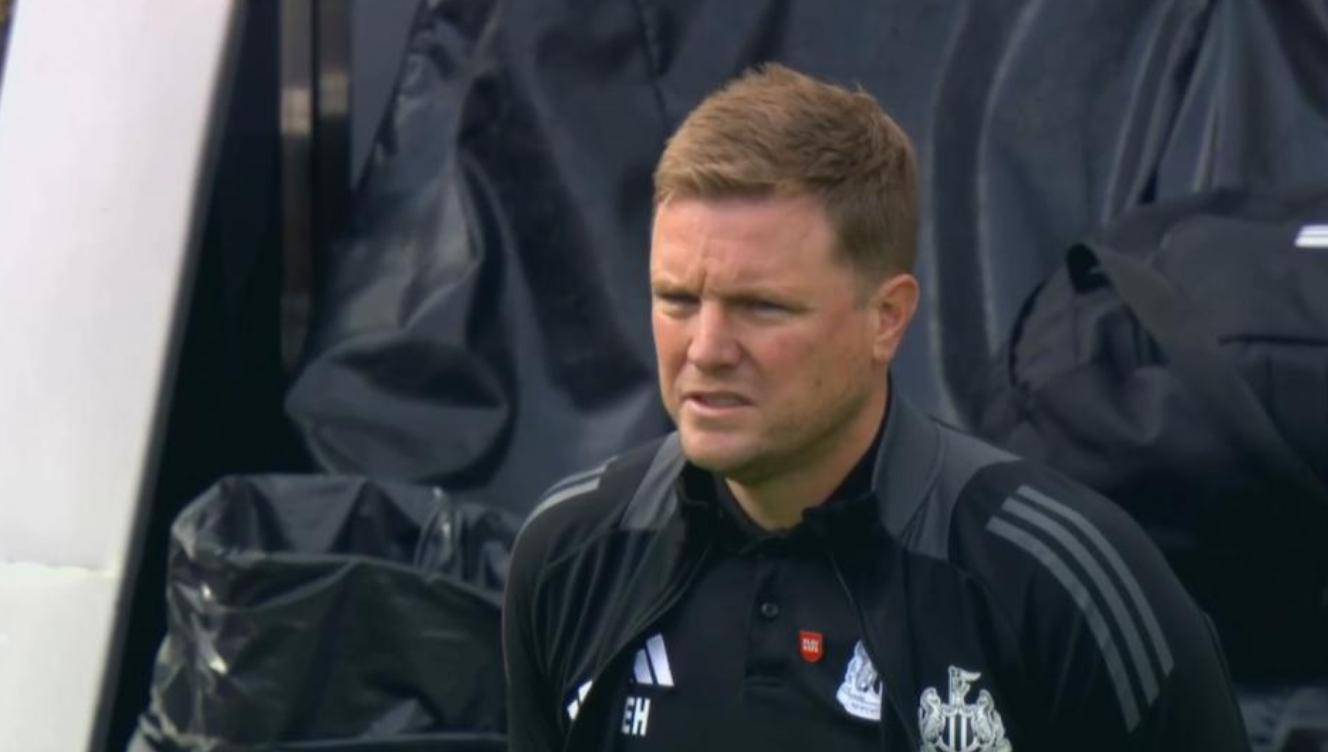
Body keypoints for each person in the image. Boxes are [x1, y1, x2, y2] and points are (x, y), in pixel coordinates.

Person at [503, 64, 1249, 751]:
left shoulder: (1060, 583)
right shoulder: (572, 556)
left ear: (887, 318)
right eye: (677, 300)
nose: (706, 348)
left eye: (762, 307)